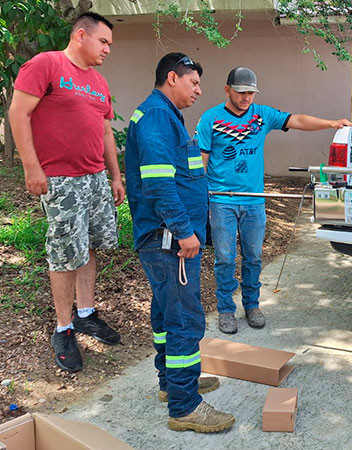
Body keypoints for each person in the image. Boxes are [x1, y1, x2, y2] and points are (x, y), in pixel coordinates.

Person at [196, 67, 352, 334]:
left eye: (251, 93)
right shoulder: (210, 119)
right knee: (225, 258)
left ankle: (252, 305)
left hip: (254, 200)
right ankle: (225, 310)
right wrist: (201, 198)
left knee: (254, 256)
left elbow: (297, 120)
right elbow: (201, 162)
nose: (246, 98)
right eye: (241, 92)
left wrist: (331, 123)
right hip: (221, 200)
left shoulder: (262, 115)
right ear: (227, 90)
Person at [124, 52, 234, 433]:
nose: (199, 91)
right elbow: (157, 182)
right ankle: (185, 406)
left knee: (165, 314)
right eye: (194, 83)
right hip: (169, 238)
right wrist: (185, 232)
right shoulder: (157, 116)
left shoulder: (162, 115)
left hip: (165, 236)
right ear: (172, 78)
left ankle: (172, 384)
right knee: (185, 319)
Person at [9, 12, 124, 373]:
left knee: (87, 244)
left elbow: (105, 132)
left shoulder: (99, 82)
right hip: (60, 178)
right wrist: (32, 167)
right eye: (103, 42)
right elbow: (18, 113)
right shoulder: (47, 64)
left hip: (93, 178)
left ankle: (86, 313)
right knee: (63, 253)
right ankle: (63, 328)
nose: (107, 49)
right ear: (80, 35)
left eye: (109, 44)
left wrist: (115, 176)